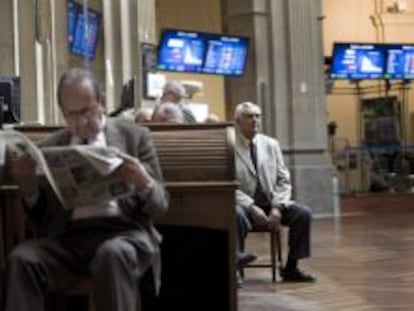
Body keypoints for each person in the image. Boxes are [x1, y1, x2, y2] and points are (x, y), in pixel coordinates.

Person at [4, 67, 169, 311]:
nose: (81, 121)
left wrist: (143, 181)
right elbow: (41, 221)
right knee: (23, 258)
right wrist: (28, 187)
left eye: (86, 111)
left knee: (112, 254)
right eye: (72, 115)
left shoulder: (134, 137)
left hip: (124, 235)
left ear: (101, 102)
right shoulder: (52, 146)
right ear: (63, 113)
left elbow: (160, 205)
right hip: (69, 241)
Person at [234, 101, 315, 283]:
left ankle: (291, 268)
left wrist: (277, 207)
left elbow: (283, 179)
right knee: (235, 215)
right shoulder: (229, 144)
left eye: (257, 116)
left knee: (302, 214)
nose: (255, 120)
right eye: (249, 116)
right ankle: (235, 271)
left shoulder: (270, 144)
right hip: (244, 205)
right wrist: (251, 206)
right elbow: (228, 185)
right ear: (238, 121)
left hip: (271, 202)